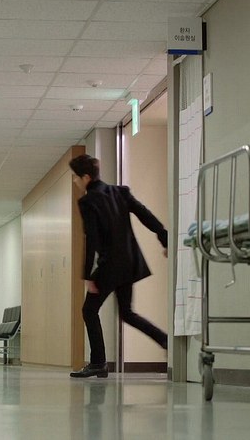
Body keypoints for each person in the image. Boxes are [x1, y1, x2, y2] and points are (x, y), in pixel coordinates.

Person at [68, 154, 168, 379]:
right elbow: (144, 214)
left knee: (89, 310)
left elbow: (91, 239)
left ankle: (98, 363)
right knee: (127, 313)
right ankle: (164, 340)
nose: (75, 181)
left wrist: (88, 275)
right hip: (130, 263)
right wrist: (164, 237)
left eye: (76, 177)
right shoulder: (120, 192)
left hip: (109, 266)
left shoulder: (87, 201)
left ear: (86, 177)